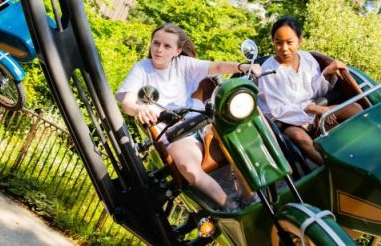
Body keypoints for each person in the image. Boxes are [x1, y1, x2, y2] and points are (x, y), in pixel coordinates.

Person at [116, 23, 260, 210]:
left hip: (203, 120)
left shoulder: (183, 64)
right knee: (189, 169)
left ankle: (251, 196)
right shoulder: (141, 69)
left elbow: (217, 66)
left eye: (167, 46)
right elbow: (127, 103)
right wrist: (139, 110)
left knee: (238, 136)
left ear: (177, 51)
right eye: (156, 43)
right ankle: (230, 207)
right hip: (176, 133)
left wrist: (243, 66)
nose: (159, 49)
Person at [257, 17, 362, 164]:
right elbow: (277, 110)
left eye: (289, 42)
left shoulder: (307, 59)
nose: (284, 48)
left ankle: (361, 148)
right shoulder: (268, 70)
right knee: (300, 138)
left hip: (313, 110)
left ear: (300, 41)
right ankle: (333, 167)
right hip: (286, 120)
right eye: (278, 43)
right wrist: (312, 108)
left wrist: (326, 73)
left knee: (355, 108)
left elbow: (317, 92)